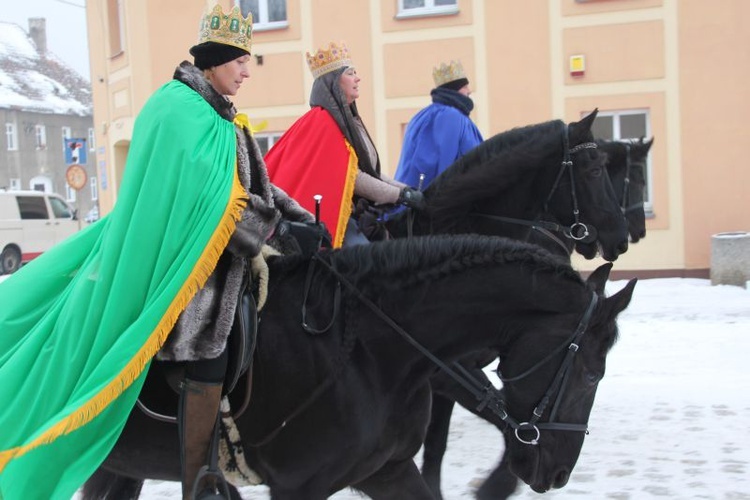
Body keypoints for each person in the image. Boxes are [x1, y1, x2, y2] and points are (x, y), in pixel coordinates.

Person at [0, 5, 314, 499]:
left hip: (221, 260)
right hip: (181, 268)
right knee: (209, 346)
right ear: (215, 60)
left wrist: (298, 219)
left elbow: (256, 186)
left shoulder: (219, 116)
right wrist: (265, 229)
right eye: (241, 62)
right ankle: (201, 475)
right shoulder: (177, 108)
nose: (248, 72)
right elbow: (206, 206)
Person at [265, 41, 425, 248]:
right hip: (334, 220)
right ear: (333, 82)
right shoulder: (322, 122)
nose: (357, 78)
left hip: (356, 214)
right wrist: (400, 195)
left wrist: (404, 190)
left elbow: (368, 173)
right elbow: (352, 177)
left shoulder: (350, 120)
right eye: (350, 73)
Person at [394, 59, 484, 189]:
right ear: (454, 90)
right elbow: (443, 163)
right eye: (464, 87)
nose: (469, 91)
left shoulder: (427, 115)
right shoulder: (450, 115)